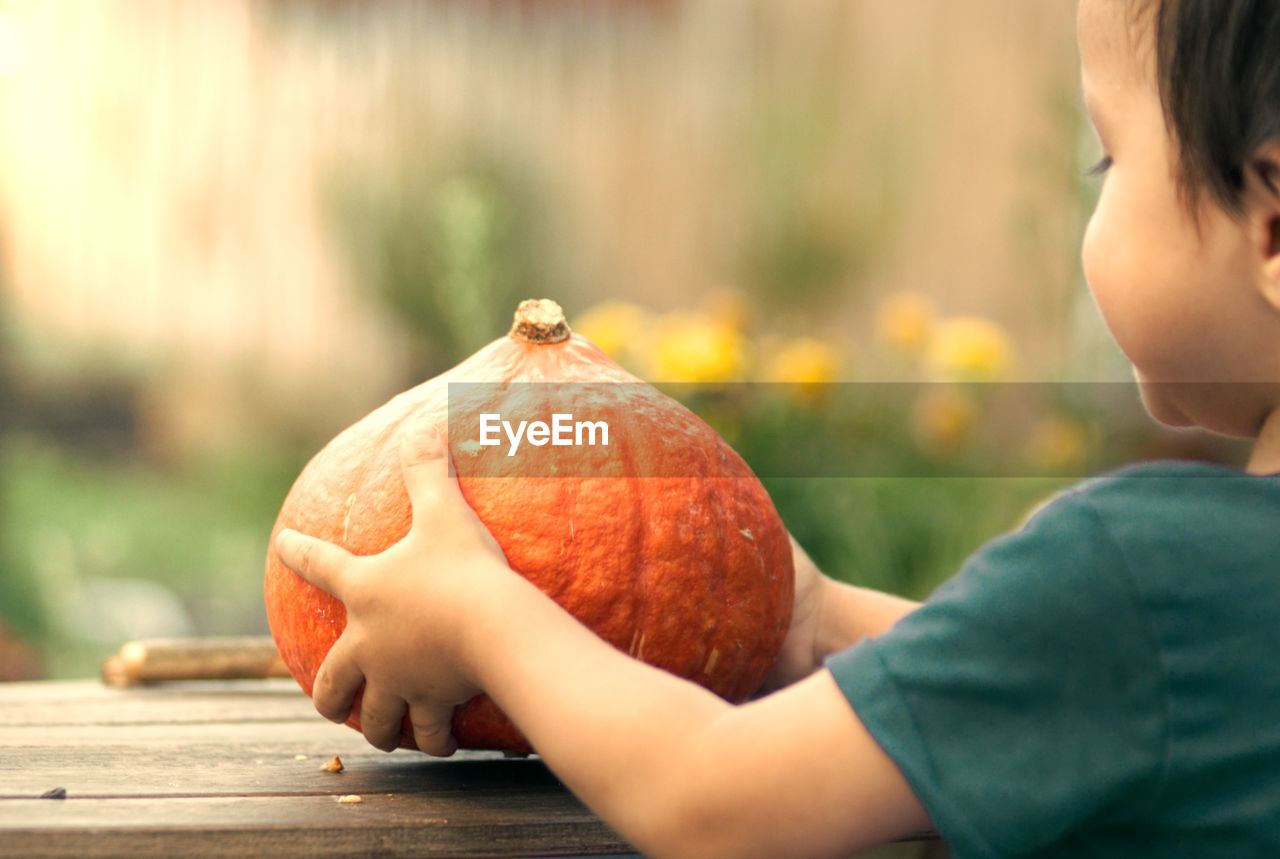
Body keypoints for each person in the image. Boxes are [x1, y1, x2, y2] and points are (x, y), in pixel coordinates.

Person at [275, 0, 1280, 855]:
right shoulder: (1194, 602)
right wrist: (820, 620)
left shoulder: (1141, 570)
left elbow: (710, 799)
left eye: (1107, 157)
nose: (1089, 203)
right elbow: (1079, 688)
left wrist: (476, 613)